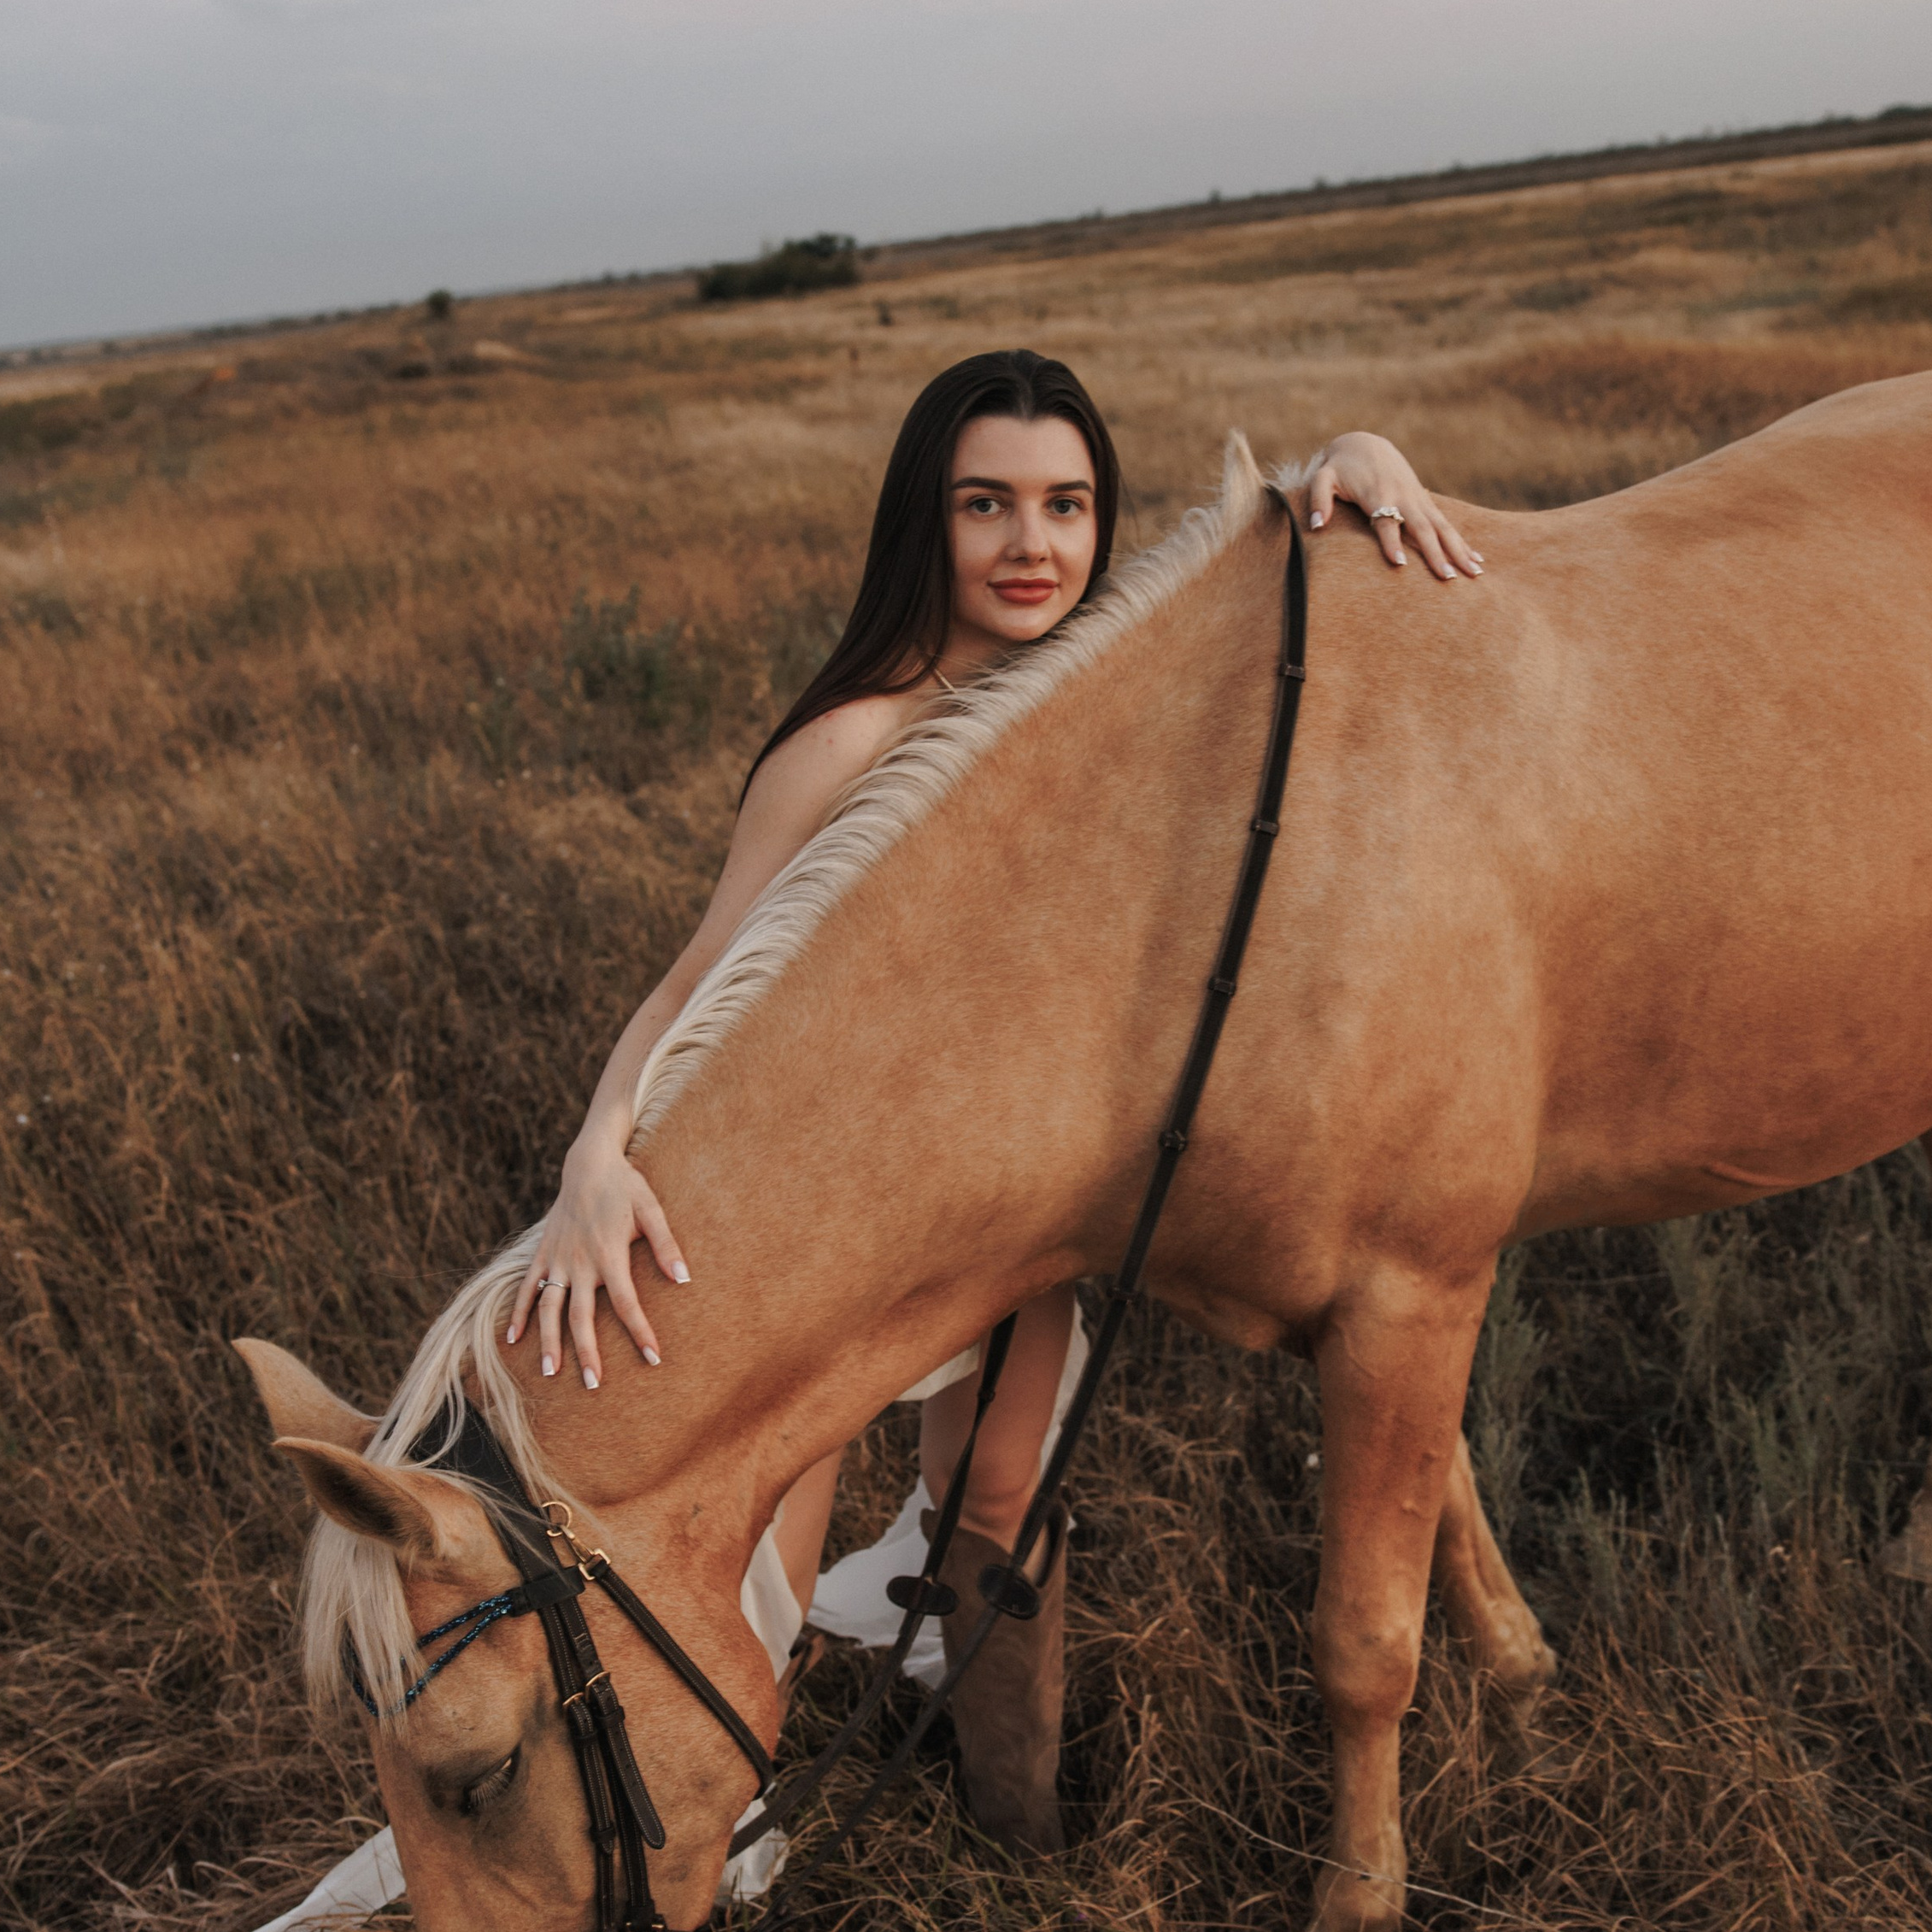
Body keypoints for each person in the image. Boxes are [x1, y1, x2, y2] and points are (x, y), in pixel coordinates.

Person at [507, 349, 1482, 1847]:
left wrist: (1360, 446)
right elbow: (696, 986)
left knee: (999, 1502)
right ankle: (689, 1842)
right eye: (987, 505)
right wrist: (594, 1149)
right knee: (765, 1549)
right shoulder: (852, 740)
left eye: (1066, 504)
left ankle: (1010, 1842)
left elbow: (1247, 556)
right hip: (839, 1216)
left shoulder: (1095, 693)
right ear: (927, 521)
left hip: (1014, 1206)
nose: (1033, 545)